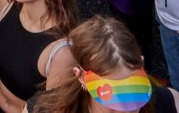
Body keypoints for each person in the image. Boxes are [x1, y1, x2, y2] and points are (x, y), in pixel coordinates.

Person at [31, 16, 179, 113]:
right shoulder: (43, 109)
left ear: (141, 64)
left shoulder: (168, 104)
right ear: (81, 76)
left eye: (133, 97)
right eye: (112, 108)